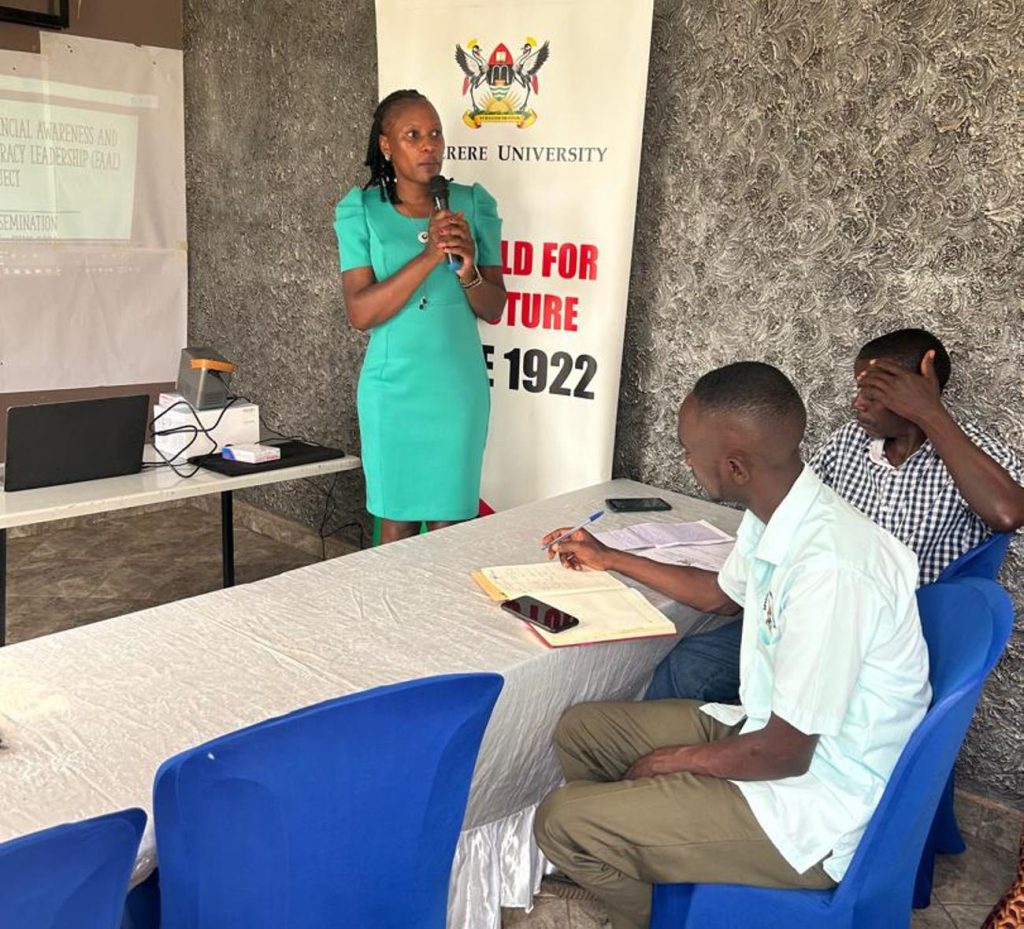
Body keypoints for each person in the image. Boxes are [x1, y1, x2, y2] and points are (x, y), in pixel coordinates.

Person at [534, 362, 930, 929]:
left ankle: (671, 912)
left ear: (735, 466)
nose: (685, 461)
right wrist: (611, 557)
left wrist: (674, 763)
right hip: (769, 730)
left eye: (688, 450)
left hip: (818, 798)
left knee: (560, 820)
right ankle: (643, 851)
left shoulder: (831, 570)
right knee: (583, 732)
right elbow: (723, 597)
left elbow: (785, 754)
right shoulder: (778, 512)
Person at [647, 328, 1024, 702]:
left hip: (891, 641)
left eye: (875, 393)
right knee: (690, 665)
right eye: (858, 390)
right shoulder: (849, 442)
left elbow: (1008, 514)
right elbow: (791, 501)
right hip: (812, 611)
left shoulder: (971, 452)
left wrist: (931, 415)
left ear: (921, 391)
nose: (858, 404)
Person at [333, 89, 506, 544]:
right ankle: (393, 618)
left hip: (456, 391)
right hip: (393, 393)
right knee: (398, 524)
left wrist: (468, 270)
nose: (429, 145)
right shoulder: (360, 212)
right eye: (413, 135)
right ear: (387, 146)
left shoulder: (471, 204)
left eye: (434, 134)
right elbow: (360, 312)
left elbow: (493, 307)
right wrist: (430, 255)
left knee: (452, 527)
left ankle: (447, 617)